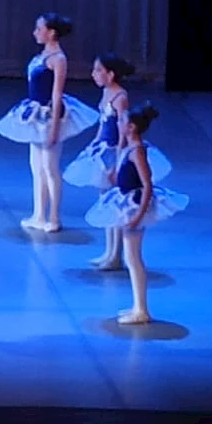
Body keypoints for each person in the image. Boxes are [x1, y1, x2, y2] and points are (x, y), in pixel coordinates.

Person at [62, 54, 171, 269]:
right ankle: (108, 251)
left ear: (110, 74)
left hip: (115, 151)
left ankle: (116, 255)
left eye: (98, 70)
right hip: (103, 148)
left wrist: (118, 161)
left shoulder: (121, 96)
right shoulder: (106, 92)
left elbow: (123, 130)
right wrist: (94, 144)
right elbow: (103, 124)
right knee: (106, 202)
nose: (94, 74)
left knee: (116, 202)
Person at [84, 104, 188, 325]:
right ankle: (137, 306)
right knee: (131, 258)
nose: (118, 124)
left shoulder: (138, 151)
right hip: (127, 201)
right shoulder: (130, 147)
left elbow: (147, 185)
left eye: (122, 122)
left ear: (131, 127)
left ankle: (141, 309)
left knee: (133, 258)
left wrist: (138, 216)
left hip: (134, 205)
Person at [0, 13, 98, 233]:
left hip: (49, 115)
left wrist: (54, 129)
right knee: (36, 167)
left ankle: (54, 217)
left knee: (50, 167)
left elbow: (56, 93)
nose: (35, 32)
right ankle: (38, 214)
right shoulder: (43, 54)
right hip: (34, 113)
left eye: (39, 28)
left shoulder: (58, 59)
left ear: (51, 32)